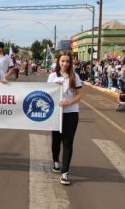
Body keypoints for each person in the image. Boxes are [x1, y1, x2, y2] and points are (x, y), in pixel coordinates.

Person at [47, 51, 82, 185]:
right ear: (58, 62)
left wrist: (69, 102)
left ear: (70, 62)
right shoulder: (52, 76)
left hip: (71, 113)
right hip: (56, 113)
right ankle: (56, 160)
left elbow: (79, 95)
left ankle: (65, 172)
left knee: (67, 142)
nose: (65, 64)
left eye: (67, 61)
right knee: (56, 139)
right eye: (62, 61)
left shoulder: (75, 76)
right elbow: (47, 93)